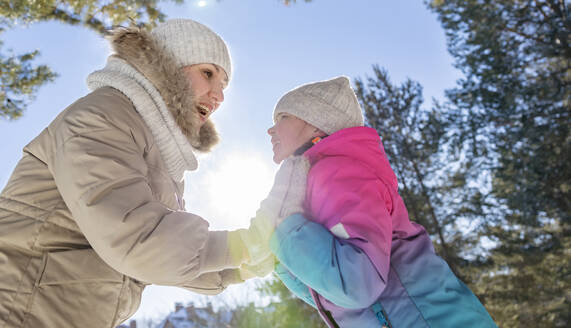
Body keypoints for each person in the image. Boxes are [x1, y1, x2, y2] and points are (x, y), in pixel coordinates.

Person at [0, 19, 301, 328]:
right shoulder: (101, 117)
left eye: (223, 86)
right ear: (168, 66)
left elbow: (164, 253)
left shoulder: (160, 154)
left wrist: (242, 266)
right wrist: (240, 246)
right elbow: (138, 241)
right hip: (20, 310)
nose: (219, 96)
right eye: (208, 74)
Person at [258, 76, 498, 327]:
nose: (270, 129)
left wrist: (285, 228)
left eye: (282, 117)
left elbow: (358, 285)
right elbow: (333, 293)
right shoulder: (319, 180)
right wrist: (280, 256)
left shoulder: (336, 171)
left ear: (317, 125)